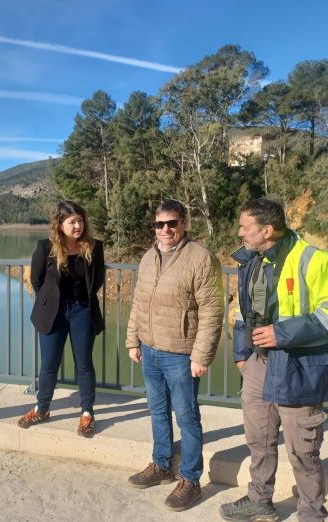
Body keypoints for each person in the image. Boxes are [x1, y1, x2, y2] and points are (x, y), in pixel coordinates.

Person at [219, 198, 328, 522]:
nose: (239, 233)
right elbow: (244, 310)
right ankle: (259, 500)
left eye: (245, 227)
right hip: (258, 364)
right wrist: (242, 356)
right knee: (259, 439)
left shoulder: (316, 260)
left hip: (299, 368)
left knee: (303, 451)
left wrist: (282, 333)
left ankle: (311, 514)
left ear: (267, 230)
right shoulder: (252, 261)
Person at [126, 199, 224, 512]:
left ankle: (191, 479)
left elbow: (212, 311)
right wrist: (133, 340)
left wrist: (201, 356)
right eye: (160, 224)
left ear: (184, 223)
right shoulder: (148, 257)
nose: (166, 229)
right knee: (157, 411)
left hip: (181, 354)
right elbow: (139, 303)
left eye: (172, 223)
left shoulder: (201, 257)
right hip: (150, 350)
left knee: (186, 417)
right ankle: (161, 465)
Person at [17, 200, 105, 436]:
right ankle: (42, 408)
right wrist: (50, 302)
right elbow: (36, 280)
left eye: (80, 220)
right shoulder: (45, 247)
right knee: (49, 364)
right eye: (72, 222)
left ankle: (87, 413)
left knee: (84, 363)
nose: (78, 226)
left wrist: (79, 302)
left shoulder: (94, 247)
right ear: (60, 224)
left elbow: (97, 280)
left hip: (82, 311)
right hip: (53, 313)